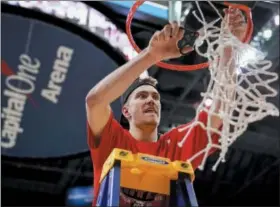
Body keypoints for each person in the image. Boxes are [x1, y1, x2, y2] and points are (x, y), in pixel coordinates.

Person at [86, 8, 246, 207]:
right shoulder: (113, 141)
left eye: (155, 97)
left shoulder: (175, 147)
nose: (151, 100)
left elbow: (219, 111)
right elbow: (95, 101)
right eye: (142, 96)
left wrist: (230, 44)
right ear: (126, 111)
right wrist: (153, 55)